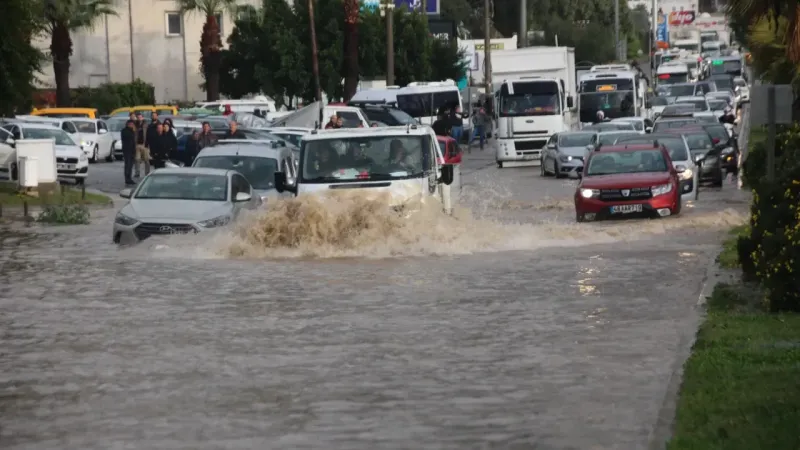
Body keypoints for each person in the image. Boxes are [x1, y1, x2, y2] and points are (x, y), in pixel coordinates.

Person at [120, 119, 137, 185]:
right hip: (127, 150)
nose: (132, 125)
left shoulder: (132, 131)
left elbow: (133, 140)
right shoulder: (124, 131)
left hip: (132, 150)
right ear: (128, 124)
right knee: (128, 164)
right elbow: (127, 138)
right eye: (131, 124)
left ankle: (129, 178)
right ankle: (127, 178)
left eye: (132, 124)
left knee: (131, 165)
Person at [134, 112, 148, 177]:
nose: (139, 118)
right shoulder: (135, 125)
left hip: (144, 144)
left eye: (140, 117)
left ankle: (147, 173)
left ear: (142, 117)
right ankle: (137, 173)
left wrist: (147, 144)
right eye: (138, 117)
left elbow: (148, 134)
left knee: (146, 159)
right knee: (137, 159)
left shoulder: (146, 124)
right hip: (137, 144)